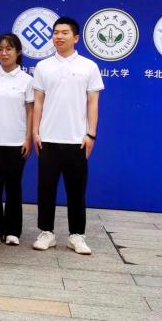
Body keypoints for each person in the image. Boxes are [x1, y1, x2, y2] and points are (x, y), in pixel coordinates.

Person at [31, 16, 104, 255]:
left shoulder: (88, 66)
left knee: (76, 190)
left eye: (64, 32)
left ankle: (77, 235)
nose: (59, 36)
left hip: (76, 140)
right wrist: (35, 131)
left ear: (76, 37)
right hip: (48, 138)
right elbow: (38, 101)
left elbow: (93, 102)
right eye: (55, 32)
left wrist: (91, 134)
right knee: (46, 188)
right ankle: (46, 232)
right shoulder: (43, 66)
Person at [0, 33, 33, 246]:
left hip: (16, 141)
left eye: (9, 49)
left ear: (17, 52)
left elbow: (30, 111)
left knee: (13, 186)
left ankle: (12, 231)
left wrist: (28, 138)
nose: (4, 53)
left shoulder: (27, 80)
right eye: (0, 49)